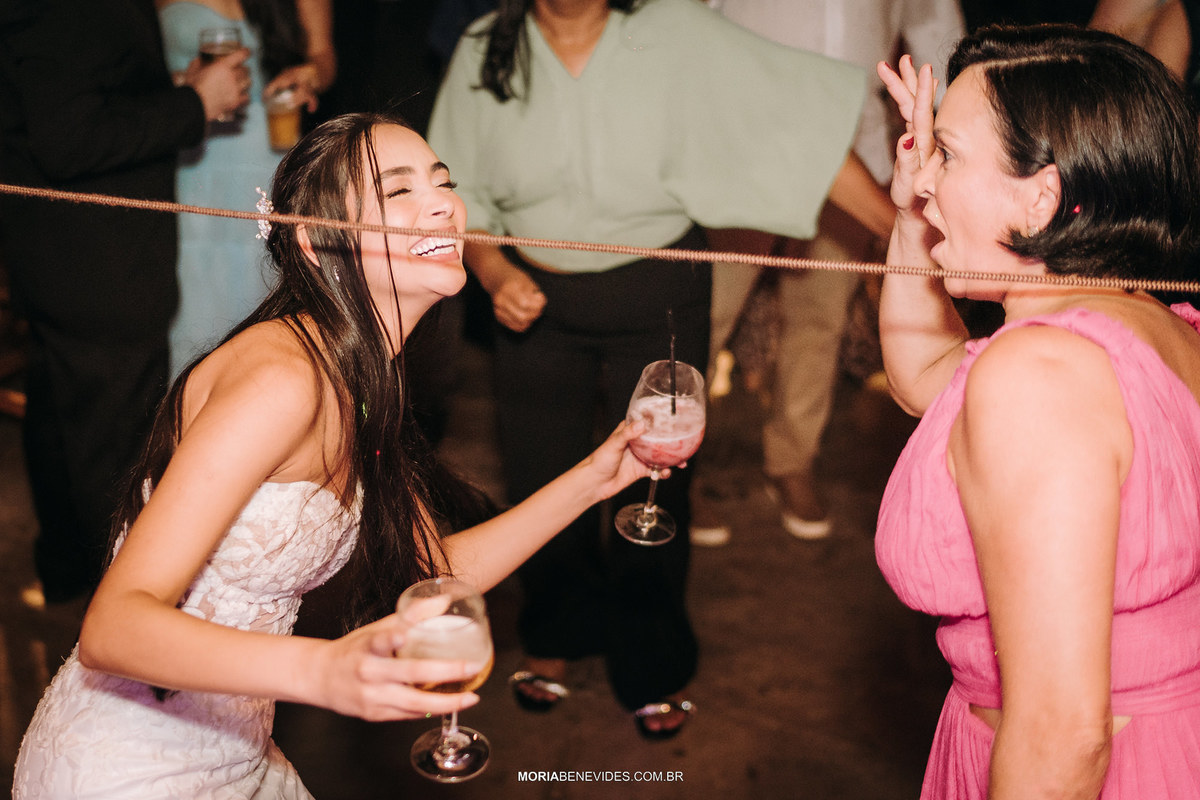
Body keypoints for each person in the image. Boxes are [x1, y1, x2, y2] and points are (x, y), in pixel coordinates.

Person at [11, 112, 656, 798]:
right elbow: (114, 627)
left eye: (443, 182)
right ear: (320, 242)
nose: (443, 203)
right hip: (131, 770)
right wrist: (324, 671)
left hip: (236, 753)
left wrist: (597, 477)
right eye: (399, 191)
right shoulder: (282, 382)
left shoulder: (361, 377)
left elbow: (438, 571)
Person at [426, 0, 894, 737]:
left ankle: (652, 660)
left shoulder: (675, 29)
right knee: (542, 475)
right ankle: (555, 634)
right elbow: (454, 187)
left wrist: (900, 233)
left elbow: (797, 123)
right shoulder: (489, 46)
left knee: (655, 483)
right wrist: (490, 269)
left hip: (657, 290)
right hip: (530, 299)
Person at [875, 25, 1200, 798]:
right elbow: (924, 377)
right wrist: (915, 213)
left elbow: (1062, 736)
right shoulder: (1149, 321)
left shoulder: (1037, 378)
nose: (926, 179)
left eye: (947, 156)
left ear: (1043, 196)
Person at [0, 0, 250, 604]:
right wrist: (193, 105)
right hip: (94, 261)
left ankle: (68, 576)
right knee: (112, 444)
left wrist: (173, 89)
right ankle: (125, 615)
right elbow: (67, 140)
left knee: (65, 414)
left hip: (65, 254)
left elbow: (70, 95)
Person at [693, 0, 963, 546]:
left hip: (858, 151)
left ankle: (791, 461)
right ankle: (674, 470)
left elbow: (938, 36)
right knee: (709, 313)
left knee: (821, 319)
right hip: (747, 148)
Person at [160, 0, 337, 376]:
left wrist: (309, 76)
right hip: (194, 160)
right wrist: (184, 86)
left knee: (267, 297)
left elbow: (323, 56)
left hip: (271, 152)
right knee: (195, 307)